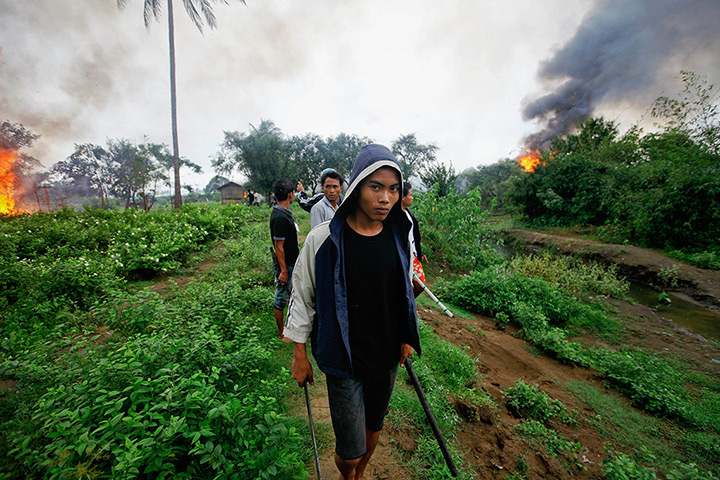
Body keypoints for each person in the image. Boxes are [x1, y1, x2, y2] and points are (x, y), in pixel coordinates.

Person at [284, 144, 421, 480]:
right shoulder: (323, 240)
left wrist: (406, 336)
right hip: (344, 359)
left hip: (386, 355)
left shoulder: (400, 236)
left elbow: (405, 292)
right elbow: (302, 297)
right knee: (350, 450)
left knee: (374, 426)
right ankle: (349, 471)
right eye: (376, 187)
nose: (386, 199)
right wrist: (299, 354)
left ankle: (357, 476)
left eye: (393, 189)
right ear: (358, 187)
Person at [269, 179, 298, 341]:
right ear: (290, 195)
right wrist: (284, 271)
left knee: (293, 295)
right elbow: (279, 246)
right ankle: (281, 332)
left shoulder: (283, 213)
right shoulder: (280, 217)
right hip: (285, 265)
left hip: (291, 262)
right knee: (281, 297)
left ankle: (291, 327)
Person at [401, 182, 427, 291]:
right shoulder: (396, 216)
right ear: (402, 197)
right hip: (404, 255)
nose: (412, 198)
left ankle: (406, 305)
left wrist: (420, 252)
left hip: (413, 255)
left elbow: (415, 235)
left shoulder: (409, 213)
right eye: (410, 195)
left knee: (420, 284)